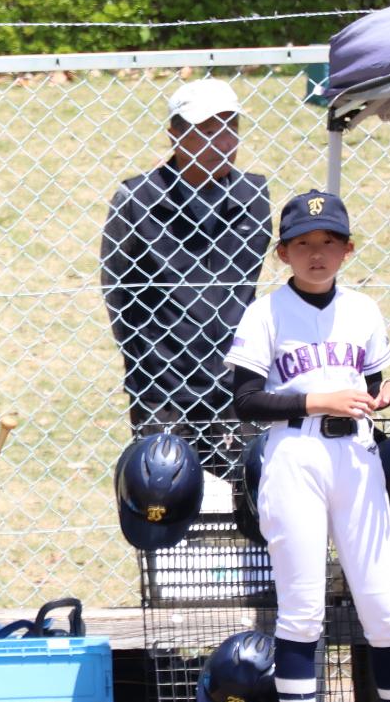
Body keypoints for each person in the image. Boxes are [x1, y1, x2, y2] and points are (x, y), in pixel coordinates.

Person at [224, 190, 390, 702]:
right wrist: (315, 398)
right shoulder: (266, 313)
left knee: (384, 605)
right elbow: (244, 400)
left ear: (348, 250)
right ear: (283, 253)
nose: (316, 254)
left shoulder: (363, 310)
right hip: (295, 453)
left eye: (328, 243)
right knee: (301, 608)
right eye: (303, 244)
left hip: (357, 455)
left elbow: (374, 377)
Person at [101, 78, 273, 476]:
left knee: (244, 497)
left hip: (237, 379)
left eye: (231, 128)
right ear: (174, 136)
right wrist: (150, 358)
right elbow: (117, 292)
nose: (223, 142)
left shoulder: (254, 196)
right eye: (208, 131)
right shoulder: (137, 199)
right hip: (162, 383)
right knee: (165, 493)